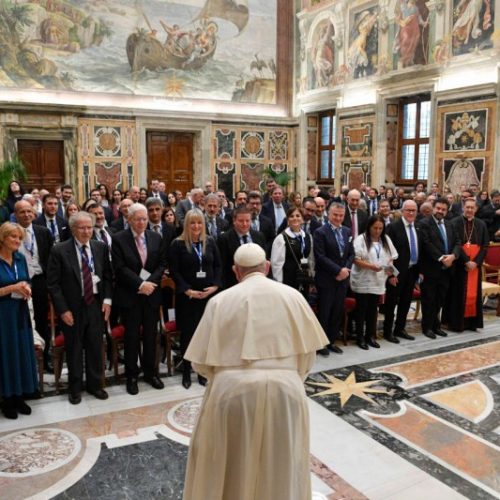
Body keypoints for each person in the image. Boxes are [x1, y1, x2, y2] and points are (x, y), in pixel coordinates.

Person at [183, 243, 328, 500]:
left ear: (236, 271)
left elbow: (200, 365)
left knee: (232, 464)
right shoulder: (293, 296)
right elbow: (307, 358)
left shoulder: (219, 301)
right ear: (267, 267)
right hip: (286, 392)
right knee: (282, 463)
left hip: (232, 393)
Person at [47, 212, 113, 404]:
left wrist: (107, 300)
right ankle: (75, 388)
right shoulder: (59, 250)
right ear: (73, 229)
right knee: (74, 348)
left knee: (95, 346)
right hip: (72, 307)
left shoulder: (100, 247)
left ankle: (95, 385)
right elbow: (53, 285)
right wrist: (63, 310)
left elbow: (107, 277)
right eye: (82, 228)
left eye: (89, 227)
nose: (86, 231)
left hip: (95, 304)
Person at [112, 203, 167, 395]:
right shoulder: (119, 239)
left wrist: (149, 283)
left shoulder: (156, 237)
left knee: (151, 336)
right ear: (129, 219)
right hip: (130, 296)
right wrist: (140, 284)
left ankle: (151, 373)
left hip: (151, 295)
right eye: (138, 219)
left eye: (144, 219)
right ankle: (132, 376)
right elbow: (119, 268)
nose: (142, 222)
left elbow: (162, 264)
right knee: (132, 337)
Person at [169, 209, 221, 389]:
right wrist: (187, 290)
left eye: (199, 222)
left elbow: (218, 266)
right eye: (192, 223)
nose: (196, 226)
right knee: (188, 335)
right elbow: (174, 271)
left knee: (205, 335)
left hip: (208, 296)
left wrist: (215, 286)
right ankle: (186, 371)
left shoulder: (210, 242)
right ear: (186, 225)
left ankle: (201, 371)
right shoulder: (177, 244)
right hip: (188, 298)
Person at [0, 223, 38, 419]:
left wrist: (26, 287)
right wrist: (11, 288)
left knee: (21, 352)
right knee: (6, 354)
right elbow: (10, 286)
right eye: (13, 237)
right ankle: (7, 399)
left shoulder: (20, 258)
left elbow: (25, 280)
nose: (17, 241)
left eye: (19, 238)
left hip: (20, 313)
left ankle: (20, 395)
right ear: (2, 238)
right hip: (2, 315)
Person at [14, 200, 53, 371]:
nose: (26, 215)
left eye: (29, 211)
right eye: (22, 212)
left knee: (41, 320)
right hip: (17, 283)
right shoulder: (10, 234)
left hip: (39, 281)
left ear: (34, 213)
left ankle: (45, 358)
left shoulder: (43, 232)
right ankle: (24, 360)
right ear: (15, 214)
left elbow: (51, 259)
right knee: (20, 321)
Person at [351, 215, 398, 349]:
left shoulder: (385, 239)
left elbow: (392, 257)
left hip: (378, 280)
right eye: (375, 228)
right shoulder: (361, 239)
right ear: (369, 227)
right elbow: (356, 259)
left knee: (373, 310)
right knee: (362, 310)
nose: (377, 231)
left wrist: (391, 270)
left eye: (380, 228)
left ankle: (370, 336)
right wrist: (371, 266)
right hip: (363, 279)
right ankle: (360, 337)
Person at [313, 202, 354, 355]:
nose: (338, 218)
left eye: (341, 215)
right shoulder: (320, 232)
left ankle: (331, 341)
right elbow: (320, 256)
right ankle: (321, 344)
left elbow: (351, 253)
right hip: (327, 279)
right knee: (324, 312)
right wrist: (338, 270)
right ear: (329, 214)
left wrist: (345, 270)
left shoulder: (347, 231)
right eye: (335, 215)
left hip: (342, 279)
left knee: (337, 311)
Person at [442, 198, 489, 332]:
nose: (469, 210)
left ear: (476, 209)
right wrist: (466, 261)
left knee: (473, 295)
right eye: (467, 207)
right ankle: (455, 323)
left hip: (474, 267)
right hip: (459, 265)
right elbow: (454, 244)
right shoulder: (454, 222)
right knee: (456, 294)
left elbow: (485, 246)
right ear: (463, 207)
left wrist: (476, 262)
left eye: (472, 207)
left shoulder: (481, 224)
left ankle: (471, 323)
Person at [419, 198, 461, 338]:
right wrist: (443, 259)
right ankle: (427, 327)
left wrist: (453, 256)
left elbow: (457, 242)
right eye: (438, 208)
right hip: (431, 268)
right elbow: (427, 244)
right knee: (429, 299)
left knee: (440, 299)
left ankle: (435, 325)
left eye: (443, 209)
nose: (440, 211)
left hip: (447, 269)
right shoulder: (424, 223)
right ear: (433, 208)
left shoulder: (450, 224)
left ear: (447, 211)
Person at [383, 200, 422, 343]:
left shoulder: (418, 227)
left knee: (406, 302)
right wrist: (390, 274)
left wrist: (420, 272)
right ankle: (388, 331)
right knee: (391, 302)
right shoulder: (393, 227)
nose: (411, 213)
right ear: (402, 211)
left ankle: (400, 328)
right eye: (408, 210)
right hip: (396, 273)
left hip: (412, 271)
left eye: (413, 210)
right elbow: (386, 252)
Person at [217, 207, 266, 289]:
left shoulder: (259, 236)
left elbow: (264, 259)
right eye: (241, 221)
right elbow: (222, 266)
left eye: (247, 221)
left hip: (257, 283)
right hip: (234, 284)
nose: (245, 224)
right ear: (234, 221)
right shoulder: (224, 239)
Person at [271, 207, 313, 300]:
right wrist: (279, 284)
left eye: (298, 216)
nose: (295, 218)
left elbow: (310, 259)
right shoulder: (281, 238)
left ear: (302, 219)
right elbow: (276, 264)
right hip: (288, 280)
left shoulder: (308, 237)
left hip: (303, 278)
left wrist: (311, 279)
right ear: (288, 220)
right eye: (291, 216)